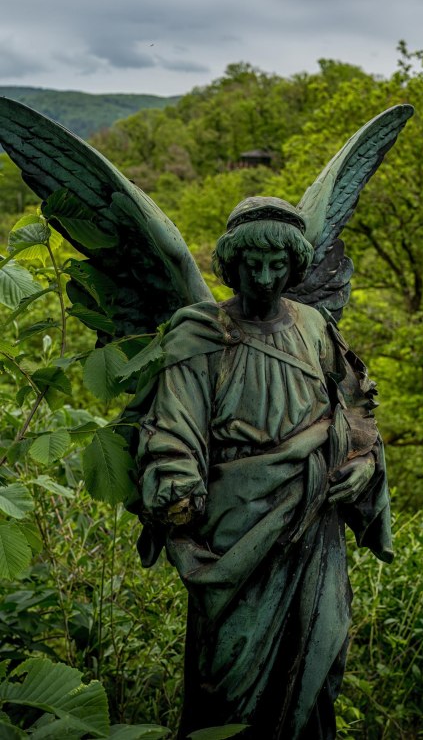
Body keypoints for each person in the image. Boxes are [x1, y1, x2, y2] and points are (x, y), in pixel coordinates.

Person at [136, 196, 393, 740]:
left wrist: (363, 462)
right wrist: (177, 485)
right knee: (227, 684)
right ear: (230, 267)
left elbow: (354, 406)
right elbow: (173, 423)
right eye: (252, 266)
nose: (265, 278)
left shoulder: (315, 326)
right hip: (233, 531)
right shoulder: (200, 332)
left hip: (313, 519)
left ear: (295, 266)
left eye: (278, 267)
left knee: (315, 663)